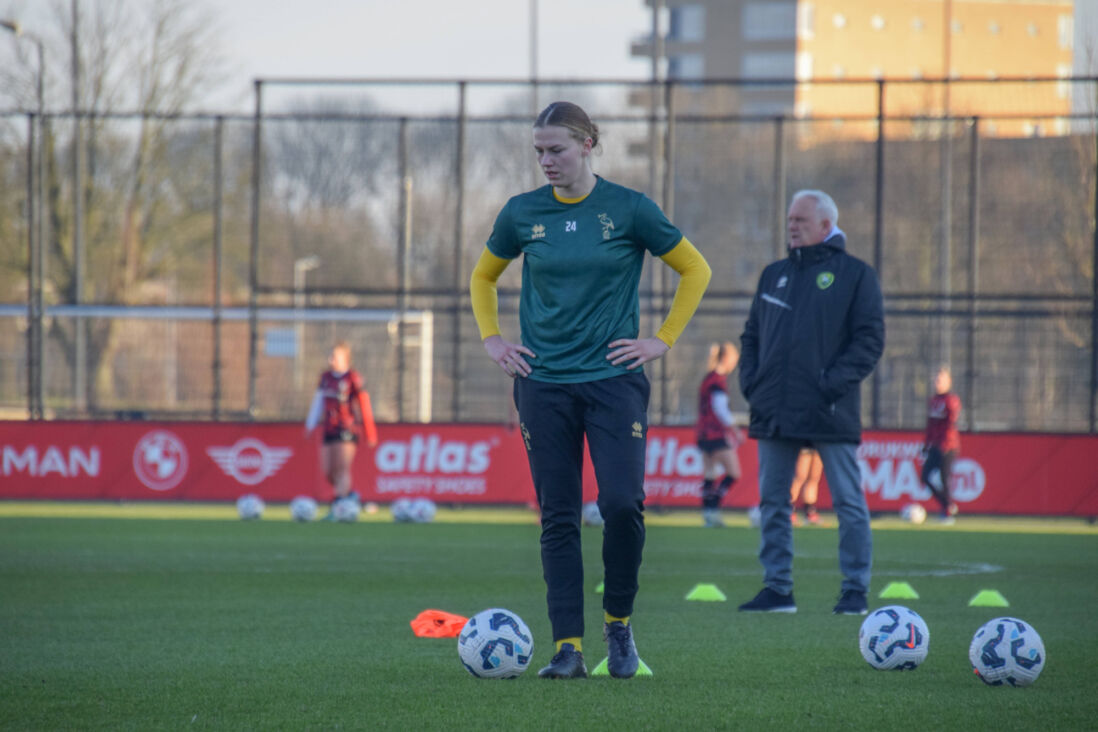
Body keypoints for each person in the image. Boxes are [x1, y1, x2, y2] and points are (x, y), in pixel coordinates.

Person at [469, 101, 711, 679]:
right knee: (558, 515)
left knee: (623, 504)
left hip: (613, 383)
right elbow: (483, 277)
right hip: (543, 385)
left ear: (587, 145)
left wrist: (662, 340)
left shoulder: (628, 209)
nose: (546, 161)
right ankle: (568, 648)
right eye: (539, 151)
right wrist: (494, 341)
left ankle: (619, 626)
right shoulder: (521, 213)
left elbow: (695, 268)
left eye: (556, 149)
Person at [737, 189, 884, 616]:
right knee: (773, 502)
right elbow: (752, 337)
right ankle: (778, 590)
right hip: (775, 408)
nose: (792, 225)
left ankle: (855, 591)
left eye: (801, 219)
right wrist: (753, 384)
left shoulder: (856, 275)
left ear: (826, 225)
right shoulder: (773, 274)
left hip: (828, 408)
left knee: (847, 503)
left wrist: (828, 384)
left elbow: (870, 340)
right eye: (790, 219)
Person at [304, 341, 379, 519]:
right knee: (328, 471)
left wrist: (370, 431)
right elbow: (318, 402)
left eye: (334, 356)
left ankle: (338, 508)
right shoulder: (326, 378)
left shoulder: (352, 378)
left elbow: (364, 404)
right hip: (328, 428)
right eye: (330, 356)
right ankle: (350, 496)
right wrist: (310, 424)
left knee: (342, 469)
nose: (330, 359)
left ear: (345, 358)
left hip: (346, 428)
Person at [695, 342, 744, 528]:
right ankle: (713, 508)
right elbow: (720, 410)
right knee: (733, 473)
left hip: (703, 433)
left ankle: (709, 513)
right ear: (727, 358)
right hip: (715, 433)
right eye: (734, 360)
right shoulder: (717, 380)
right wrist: (736, 431)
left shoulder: (708, 377)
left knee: (710, 473)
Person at [921, 366, 962, 524]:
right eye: (935, 379)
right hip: (935, 446)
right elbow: (930, 425)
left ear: (948, 382)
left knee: (945, 479)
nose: (937, 382)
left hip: (948, 446)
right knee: (925, 477)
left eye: (940, 379)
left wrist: (944, 443)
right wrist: (927, 444)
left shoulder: (951, 400)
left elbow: (951, 423)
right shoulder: (933, 401)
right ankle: (948, 504)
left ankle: (947, 512)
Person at [789, 448, 823, 526]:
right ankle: (789, 509)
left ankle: (810, 510)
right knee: (800, 477)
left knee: (814, 477)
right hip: (804, 444)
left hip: (819, 443)